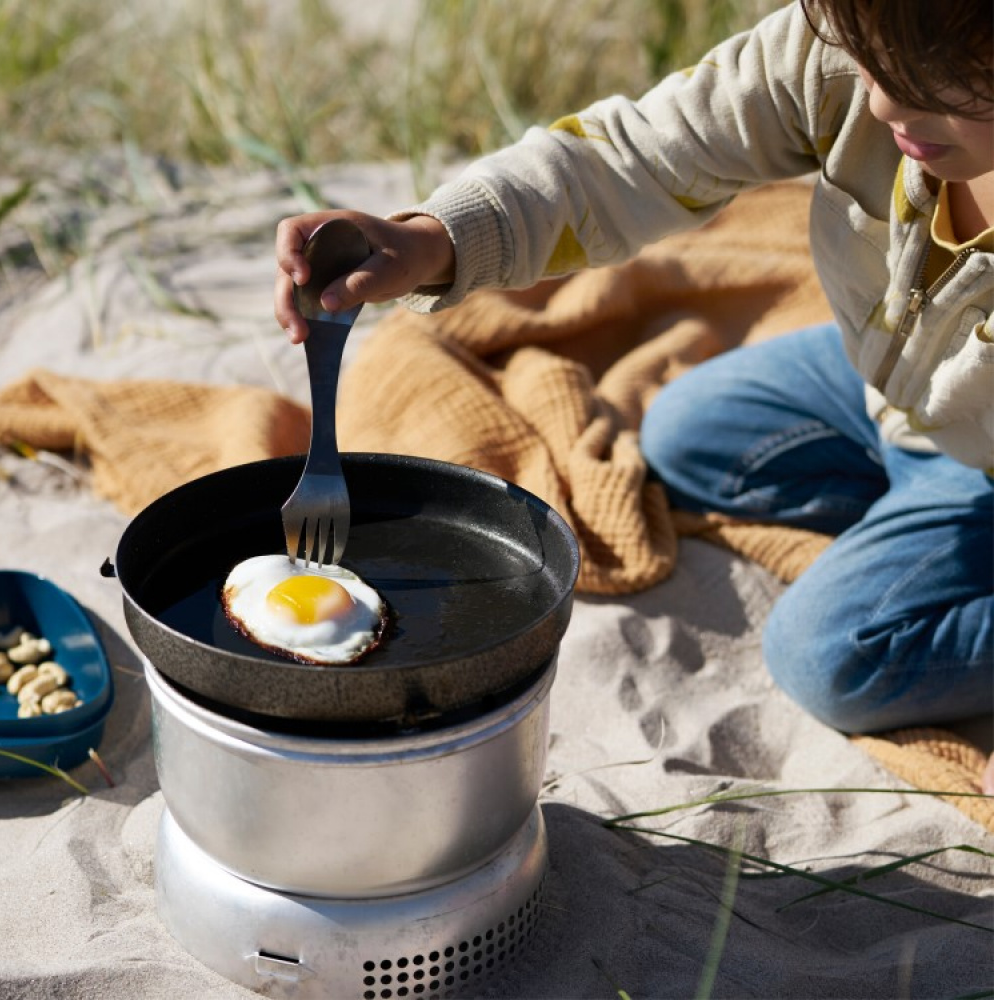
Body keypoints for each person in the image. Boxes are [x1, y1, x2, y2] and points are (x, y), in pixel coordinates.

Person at [275, 0, 993, 789]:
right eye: (867, 59)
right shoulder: (849, 48)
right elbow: (634, 158)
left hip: (980, 462)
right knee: (687, 432)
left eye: (941, 86)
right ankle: (906, 497)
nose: (883, 102)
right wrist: (435, 241)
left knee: (833, 658)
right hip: (892, 390)